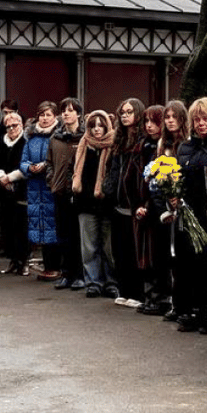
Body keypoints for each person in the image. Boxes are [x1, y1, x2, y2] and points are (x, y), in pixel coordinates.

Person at [172, 97, 207, 333]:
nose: (201, 124)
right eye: (197, 119)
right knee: (188, 261)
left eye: (206, 119)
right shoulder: (186, 146)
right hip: (188, 210)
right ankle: (194, 310)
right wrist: (173, 193)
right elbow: (177, 175)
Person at [73, 110, 118, 298]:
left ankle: (111, 282)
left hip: (107, 203)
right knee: (89, 246)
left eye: (101, 125)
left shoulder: (114, 146)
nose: (97, 129)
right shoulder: (84, 145)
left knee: (108, 247)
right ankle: (93, 281)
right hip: (85, 203)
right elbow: (74, 172)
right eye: (93, 125)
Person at [108, 98, 147, 304]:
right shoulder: (119, 141)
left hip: (135, 205)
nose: (125, 115)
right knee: (120, 251)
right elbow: (112, 171)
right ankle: (124, 290)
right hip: (117, 203)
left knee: (134, 252)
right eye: (122, 112)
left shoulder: (142, 141)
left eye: (129, 112)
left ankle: (137, 293)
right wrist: (108, 189)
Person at [133, 105, 170, 316]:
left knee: (160, 254)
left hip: (160, 206)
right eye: (146, 121)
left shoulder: (164, 146)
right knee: (146, 254)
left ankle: (162, 298)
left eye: (154, 122)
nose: (149, 126)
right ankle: (150, 296)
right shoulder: (144, 145)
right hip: (144, 203)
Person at [154, 100, 189, 321]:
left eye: (174, 117)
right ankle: (174, 302)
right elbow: (160, 174)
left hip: (184, 202)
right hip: (167, 200)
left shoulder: (187, 143)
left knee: (182, 257)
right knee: (168, 254)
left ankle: (184, 303)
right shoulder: (162, 144)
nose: (170, 121)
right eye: (167, 117)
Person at [48, 97, 85, 289]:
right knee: (62, 235)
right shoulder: (55, 138)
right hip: (59, 192)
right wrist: (51, 181)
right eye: (64, 110)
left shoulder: (85, 137)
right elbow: (49, 163)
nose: (66, 114)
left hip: (79, 193)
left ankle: (80, 274)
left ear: (78, 113)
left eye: (70, 110)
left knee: (77, 235)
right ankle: (66, 274)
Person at [21, 101, 60, 282]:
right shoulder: (31, 137)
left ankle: (56, 267)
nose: (44, 119)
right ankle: (47, 266)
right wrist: (29, 168)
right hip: (35, 188)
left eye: (48, 115)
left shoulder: (59, 135)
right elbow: (23, 161)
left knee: (55, 227)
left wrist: (45, 166)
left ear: (55, 117)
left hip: (52, 186)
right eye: (42, 115)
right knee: (41, 228)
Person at [0, 111, 29, 275]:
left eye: (15, 125)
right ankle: (13, 260)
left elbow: (27, 164)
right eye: (8, 126)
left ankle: (24, 261)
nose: (12, 128)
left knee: (22, 227)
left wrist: (11, 178)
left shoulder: (27, 142)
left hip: (22, 190)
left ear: (21, 125)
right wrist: (1, 177)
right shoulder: (0, 142)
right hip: (4, 191)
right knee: (7, 226)